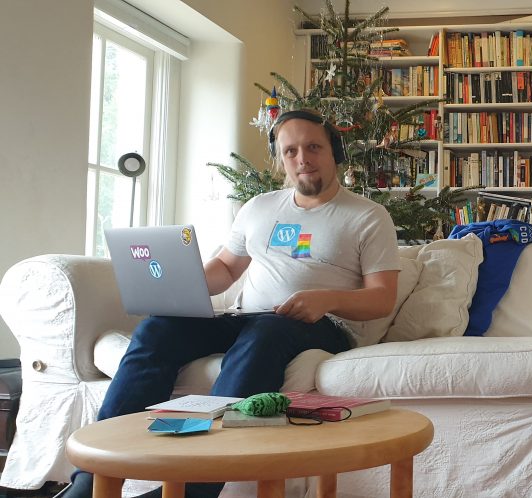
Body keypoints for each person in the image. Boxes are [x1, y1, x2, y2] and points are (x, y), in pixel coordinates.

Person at [58, 109, 400, 498]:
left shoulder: (368, 217)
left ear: (334, 151)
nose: (302, 158)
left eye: (313, 147)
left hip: (322, 327)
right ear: (280, 158)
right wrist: (180, 285)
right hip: (249, 318)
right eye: (290, 151)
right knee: (160, 326)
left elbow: (381, 298)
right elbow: (225, 267)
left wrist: (327, 300)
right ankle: (95, 478)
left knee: (265, 332)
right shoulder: (260, 207)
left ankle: (193, 486)